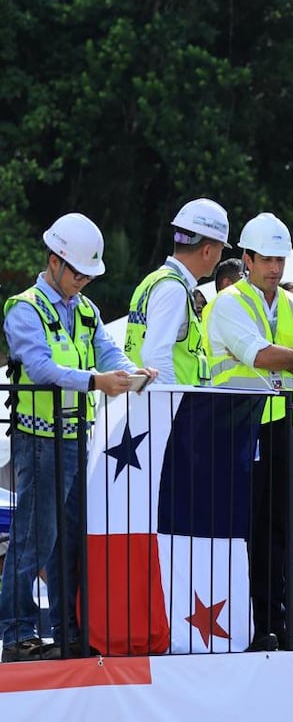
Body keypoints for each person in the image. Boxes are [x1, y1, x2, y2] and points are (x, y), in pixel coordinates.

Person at [1, 213, 157, 662]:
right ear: (54, 262)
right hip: (39, 439)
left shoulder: (85, 310)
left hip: (75, 439)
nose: (84, 281)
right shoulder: (25, 307)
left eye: (89, 274)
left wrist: (133, 373)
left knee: (67, 539)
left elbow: (109, 351)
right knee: (33, 537)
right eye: (79, 273)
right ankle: (16, 634)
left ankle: (62, 632)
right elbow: (42, 368)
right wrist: (98, 383)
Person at [206, 212, 293, 651]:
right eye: (266, 260)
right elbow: (257, 354)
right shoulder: (228, 302)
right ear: (247, 258)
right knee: (245, 530)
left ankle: (272, 622)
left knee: (282, 531)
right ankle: (245, 624)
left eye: (280, 259)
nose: (275, 268)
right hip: (238, 427)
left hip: (285, 427)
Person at [125, 198, 230, 384]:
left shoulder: (156, 281)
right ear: (207, 251)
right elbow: (155, 356)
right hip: (170, 408)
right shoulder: (173, 289)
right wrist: (170, 407)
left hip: (150, 405)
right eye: (221, 249)